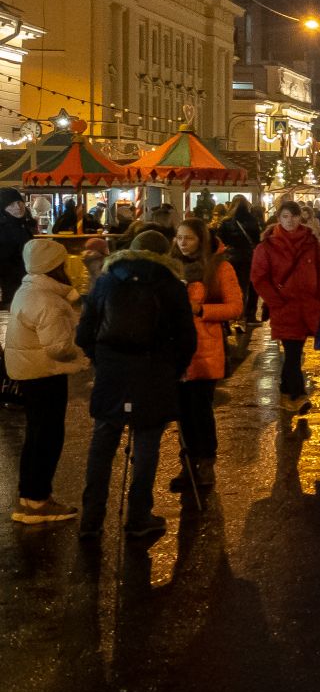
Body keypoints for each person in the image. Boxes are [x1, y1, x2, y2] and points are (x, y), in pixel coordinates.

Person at [75, 229, 198, 540]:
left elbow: (84, 332)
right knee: (146, 445)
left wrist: (101, 360)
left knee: (103, 444)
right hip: (153, 372)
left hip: (112, 372)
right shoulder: (171, 284)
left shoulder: (106, 279)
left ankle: (91, 518)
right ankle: (139, 516)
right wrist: (175, 369)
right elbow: (186, 338)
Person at [7, 238, 85, 523]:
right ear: (55, 267)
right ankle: (38, 502)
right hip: (44, 374)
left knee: (36, 435)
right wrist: (83, 350)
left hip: (29, 371)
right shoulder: (48, 300)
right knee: (48, 437)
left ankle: (30, 497)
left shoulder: (28, 290)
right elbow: (59, 348)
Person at [169, 217, 242, 500]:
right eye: (178, 237)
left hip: (205, 350)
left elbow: (235, 307)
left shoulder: (220, 268)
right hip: (176, 350)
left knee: (199, 410)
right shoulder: (171, 268)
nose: (181, 243)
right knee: (180, 411)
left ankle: (205, 463)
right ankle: (186, 464)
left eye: (188, 238)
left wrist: (201, 309)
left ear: (201, 240)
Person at [251, 199, 320, 412]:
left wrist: (319, 298)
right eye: (285, 216)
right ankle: (299, 394)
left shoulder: (310, 242)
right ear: (279, 218)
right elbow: (259, 277)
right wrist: (276, 301)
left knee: (295, 351)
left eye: (293, 216)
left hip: (307, 306)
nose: (290, 221)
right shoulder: (267, 246)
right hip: (284, 307)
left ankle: (286, 391)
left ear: (300, 217)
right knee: (293, 353)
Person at [216, 195, 262, 325]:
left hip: (231, 257)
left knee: (230, 285)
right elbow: (257, 240)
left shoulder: (226, 222)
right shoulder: (253, 220)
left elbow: (219, 240)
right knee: (251, 286)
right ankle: (249, 315)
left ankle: (229, 314)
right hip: (249, 257)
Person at [0, 187, 39, 306]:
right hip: (11, 287)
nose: (18, 207)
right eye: (11, 204)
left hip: (25, 284)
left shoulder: (22, 225)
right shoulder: (4, 229)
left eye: (19, 202)